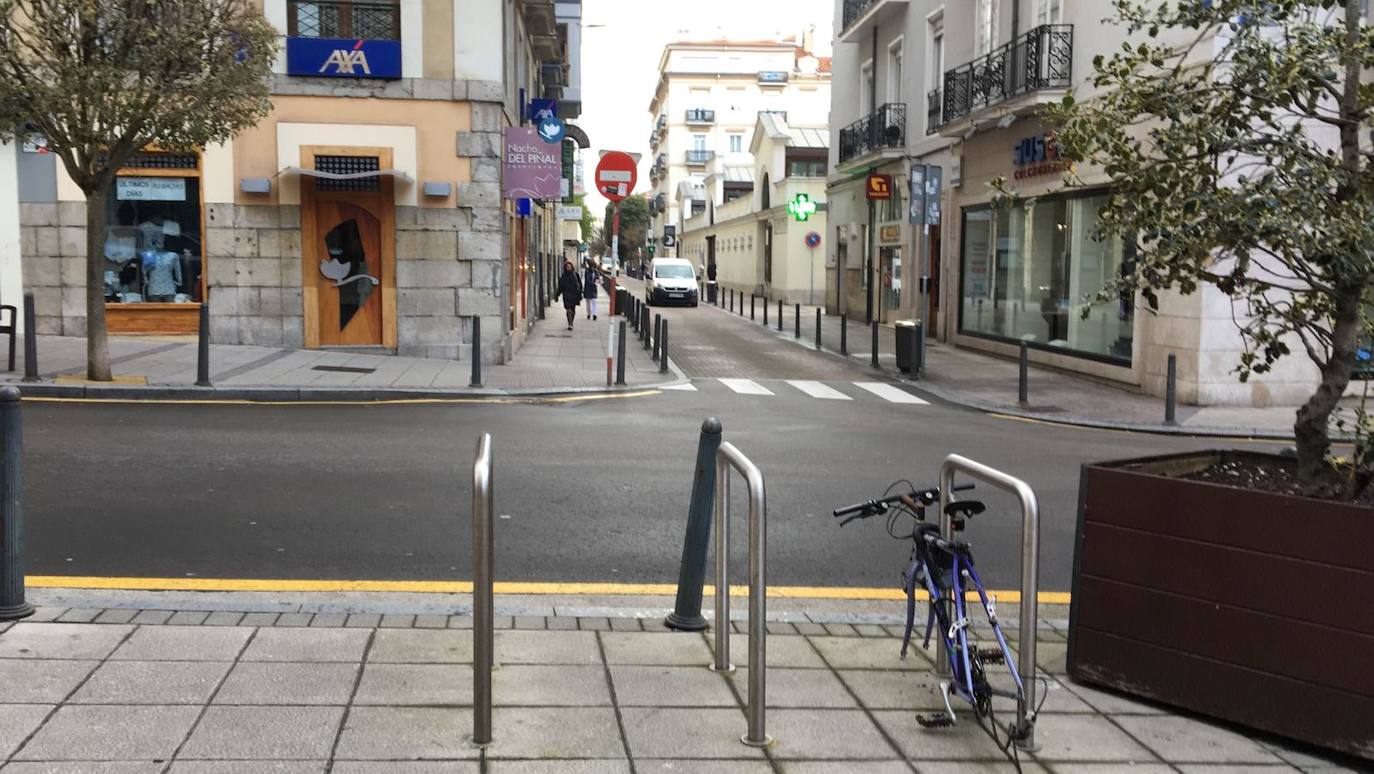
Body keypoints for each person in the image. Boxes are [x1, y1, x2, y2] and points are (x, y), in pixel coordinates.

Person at [553, 260, 582, 330]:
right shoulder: (563, 276)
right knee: (568, 309)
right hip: (566, 295)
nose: (569, 268)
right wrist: (557, 295)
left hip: (574, 295)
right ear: (565, 268)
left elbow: (580, 285)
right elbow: (560, 287)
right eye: (567, 267)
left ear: (572, 267)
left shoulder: (576, 275)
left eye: (570, 267)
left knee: (573, 309)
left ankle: (571, 321)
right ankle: (570, 323)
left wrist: (580, 293)